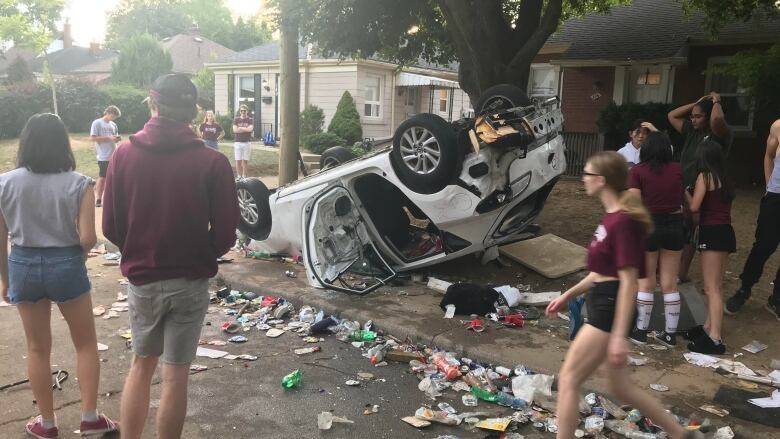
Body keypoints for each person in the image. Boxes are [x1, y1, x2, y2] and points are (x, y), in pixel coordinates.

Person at [103, 74, 239, 438]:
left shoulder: (122, 155)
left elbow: (111, 227)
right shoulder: (213, 163)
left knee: (141, 366)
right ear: (193, 114)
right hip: (190, 280)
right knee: (176, 374)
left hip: (144, 279)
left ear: (153, 103)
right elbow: (226, 234)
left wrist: (137, 252)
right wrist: (199, 255)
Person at [546, 151, 700, 439]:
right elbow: (601, 271)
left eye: (588, 174)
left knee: (568, 379)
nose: (583, 179)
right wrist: (568, 295)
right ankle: (681, 434)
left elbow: (630, 280)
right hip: (603, 299)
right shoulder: (611, 218)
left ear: (601, 180)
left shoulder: (623, 223)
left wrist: (618, 336)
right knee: (620, 388)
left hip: (609, 307)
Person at [0, 114, 117, 438]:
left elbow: (1, 238)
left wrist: (6, 279)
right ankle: (90, 418)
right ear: (62, 143)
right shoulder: (79, 183)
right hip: (65, 262)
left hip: (22, 263)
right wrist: (74, 258)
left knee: (37, 348)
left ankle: (47, 424)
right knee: (85, 344)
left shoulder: (4, 183)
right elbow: (88, 239)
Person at [627, 129, 686, 347]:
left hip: (648, 225)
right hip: (674, 224)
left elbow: (634, 203)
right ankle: (670, 334)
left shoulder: (638, 171)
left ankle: (641, 330)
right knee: (670, 282)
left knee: (646, 281)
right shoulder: (677, 169)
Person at [667, 93, 732, 283]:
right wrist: (696, 103)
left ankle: (682, 273)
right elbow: (672, 115)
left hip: (702, 190)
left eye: (698, 116)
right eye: (692, 117)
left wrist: (716, 101)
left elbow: (718, 119)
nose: (693, 120)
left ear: (708, 115)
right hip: (682, 187)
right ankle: (672, 269)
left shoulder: (719, 135)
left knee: (693, 232)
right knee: (678, 228)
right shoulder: (691, 131)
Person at [726, 119, 780, 319]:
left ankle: (777, 299)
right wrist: (769, 187)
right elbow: (769, 155)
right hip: (776, 197)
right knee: (764, 245)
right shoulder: (777, 127)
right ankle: (744, 288)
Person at [685, 140, 735, 354]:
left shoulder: (704, 177)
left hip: (711, 232)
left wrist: (686, 192)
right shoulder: (724, 178)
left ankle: (715, 337)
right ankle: (708, 326)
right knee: (717, 285)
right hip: (725, 231)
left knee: (710, 287)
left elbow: (695, 207)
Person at [90, 105, 121, 208]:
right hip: (103, 156)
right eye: (113, 116)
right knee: (102, 177)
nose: (114, 118)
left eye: (115, 117)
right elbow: (93, 138)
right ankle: (98, 199)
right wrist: (109, 138)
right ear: (107, 112)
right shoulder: (97, 123)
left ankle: (112, 199)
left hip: (114, 155)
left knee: (114, 178)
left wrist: (116, 139)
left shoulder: (114, 125)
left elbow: (114, 138)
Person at [232, 104, 253, 179]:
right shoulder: (236, 119)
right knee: (238, 160)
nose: (243, 112)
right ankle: (239, 176)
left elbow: (250, 129)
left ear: (247, 111)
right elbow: (235, 130)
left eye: (244, 111)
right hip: (238, 143)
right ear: (239, 111)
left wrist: (240, 128)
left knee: (245, 160)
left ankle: (244, 176)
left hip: (247, 143)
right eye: (241, 111)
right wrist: (245, 128)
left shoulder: (250, 119)